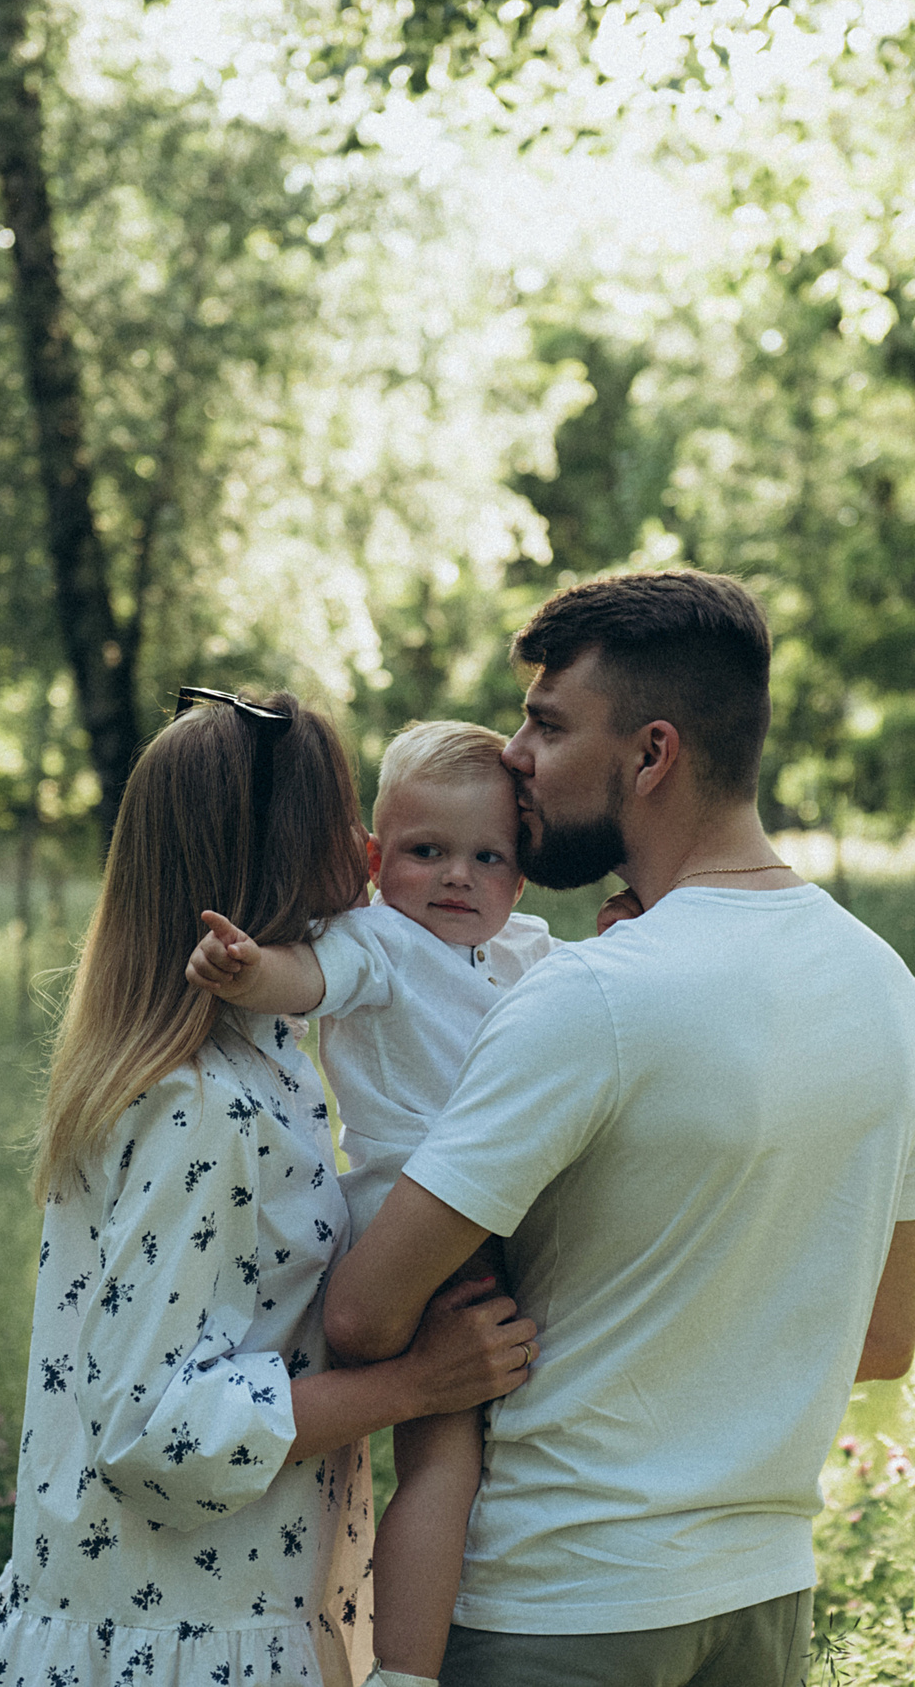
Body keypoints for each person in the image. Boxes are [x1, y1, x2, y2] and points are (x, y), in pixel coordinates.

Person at [322, 571, 915, 1687]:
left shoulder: (586, 996)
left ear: (651, 754)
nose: (514, 752)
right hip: (760, 1602)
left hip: (561, 1609)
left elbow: (368, 1312)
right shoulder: (887, 988)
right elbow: (883, 1338)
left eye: (548, 724)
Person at [0, 689, 538, 1687]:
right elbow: (155, 1427)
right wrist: (413, 1384)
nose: (364, 849)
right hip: (184, 1639)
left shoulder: (252, 1054)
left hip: (215, 1608)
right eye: (341, 828)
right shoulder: (200, 1103)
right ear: (286, 861)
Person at [185, 721, 638, 1687]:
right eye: (427, 852)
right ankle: (403, 1671)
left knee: (508, 1438)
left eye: (487, 857)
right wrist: (248, 970)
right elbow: (304, 980)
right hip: (419, 1230)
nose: (457, 878)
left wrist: (633, 933)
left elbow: (600, 1001)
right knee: (443, 1462)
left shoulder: (523, 949)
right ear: (373, 861)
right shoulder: (376, 941)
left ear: (521, 877)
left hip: (515, 1215)